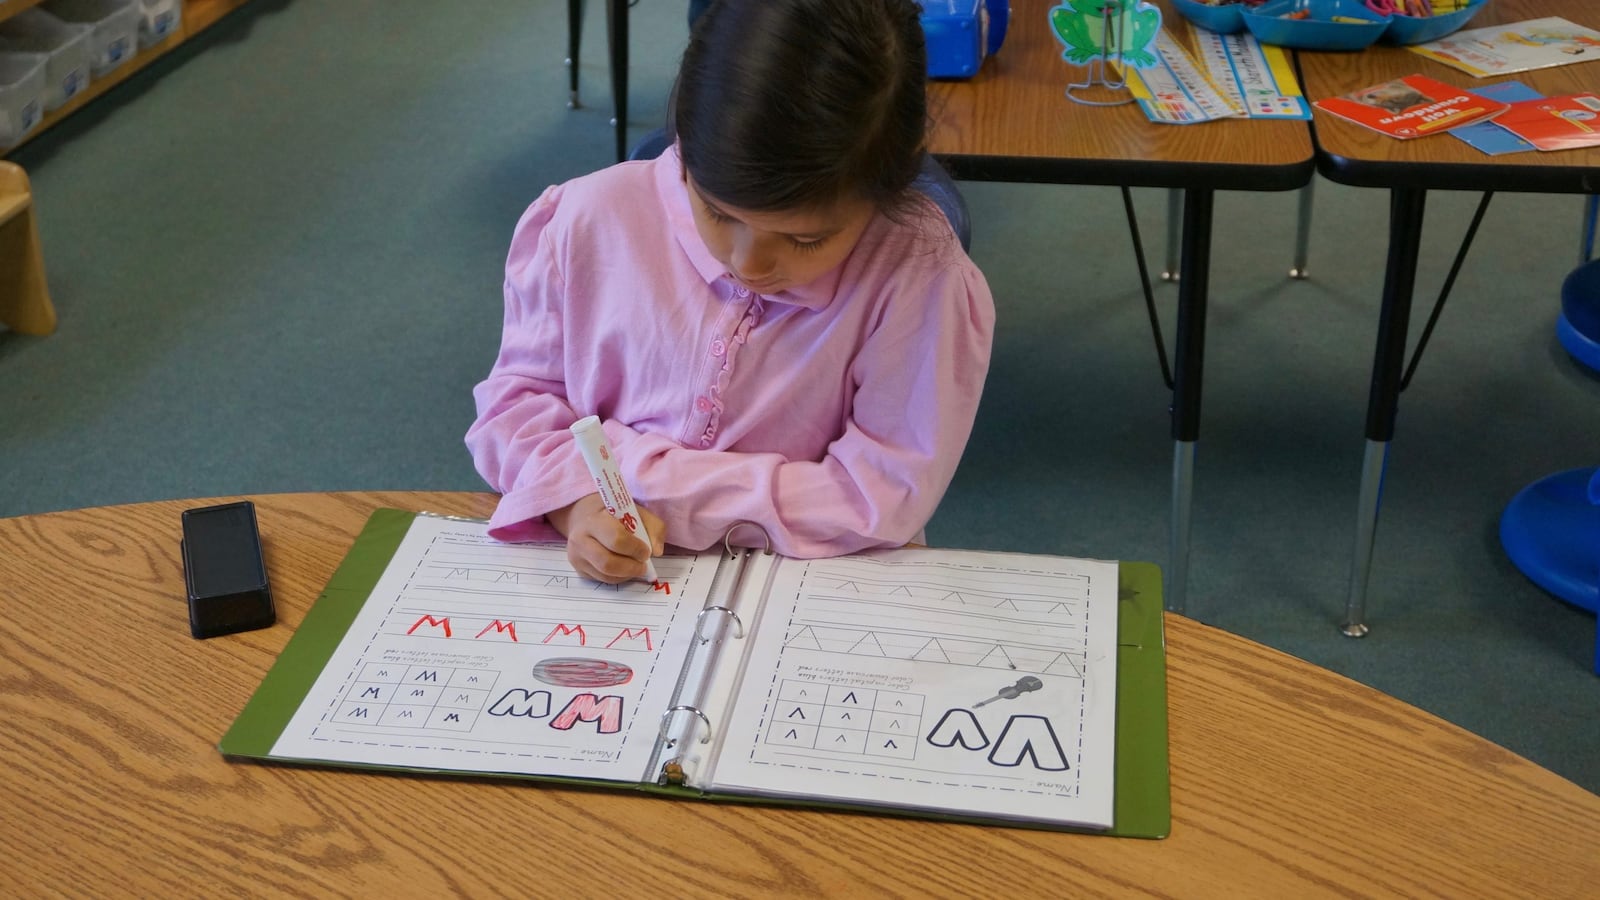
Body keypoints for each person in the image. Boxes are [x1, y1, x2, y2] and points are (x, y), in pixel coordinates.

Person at [466, 0, 995, 583]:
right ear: (684, 141)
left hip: (823, 587)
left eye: (805, 239)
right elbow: (514, 409)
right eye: (716, 213)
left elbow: (879, 497)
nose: (749, 263)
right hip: (615, 588)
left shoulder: (917, 275)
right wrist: (573, 505)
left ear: (889, 184)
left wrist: (641, 477)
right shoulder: (585, 221)